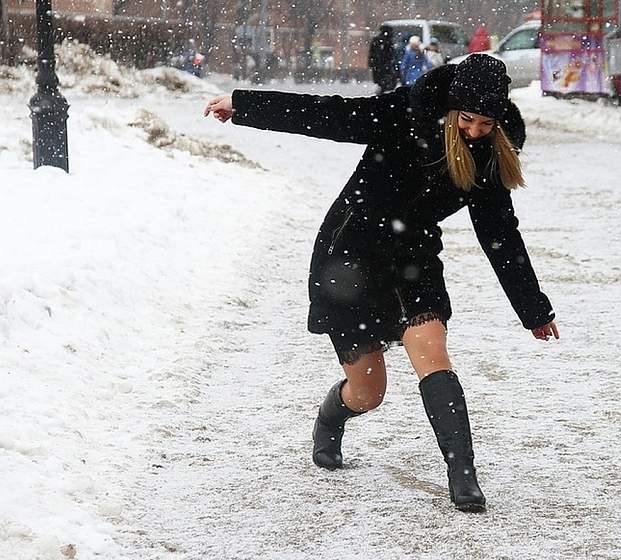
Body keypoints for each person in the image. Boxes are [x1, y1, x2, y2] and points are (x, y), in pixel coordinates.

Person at [202, 54, 559, 512]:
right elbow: (328, 115)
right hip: (352, 253)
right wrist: (245, 105)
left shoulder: (490, 154)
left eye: (486, 124)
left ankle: (462, 474)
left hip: (414, 256)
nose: (474, 131)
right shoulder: (403, 115)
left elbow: (500, 236)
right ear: (451, 108)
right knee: (369, 393)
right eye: (467, 120)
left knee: (433, 354)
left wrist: (533, 309)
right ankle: (334, 414)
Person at [368, 25, 398, 93]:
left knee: (381, 83)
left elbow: (372, 53)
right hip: (385, 66)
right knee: (386, 83)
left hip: (378, 66)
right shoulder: (388, 41)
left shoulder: (376, 40)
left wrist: (372, 63)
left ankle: (381, 93)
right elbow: (390, 54)